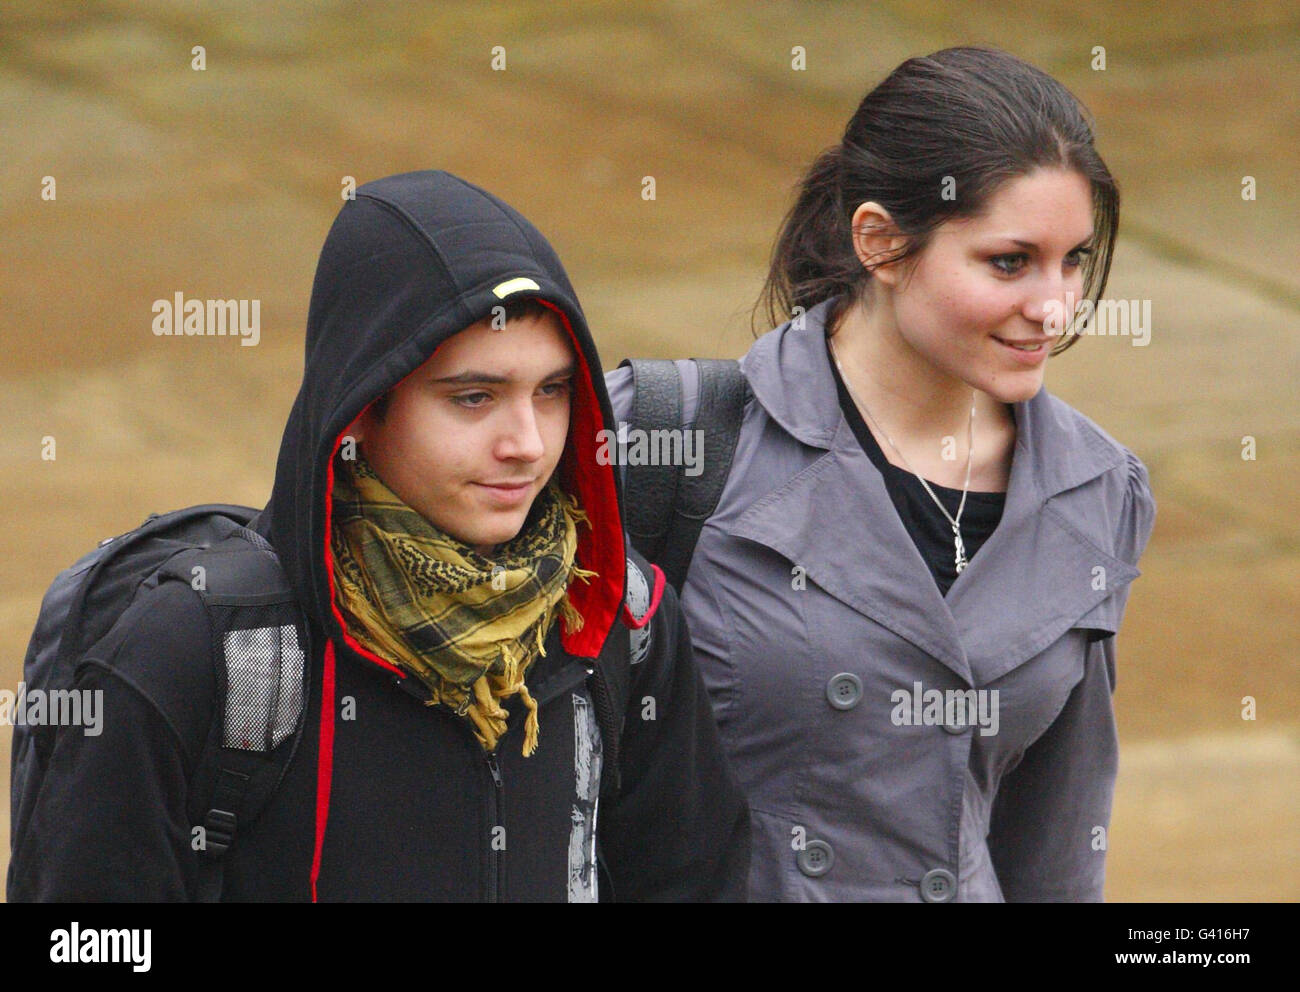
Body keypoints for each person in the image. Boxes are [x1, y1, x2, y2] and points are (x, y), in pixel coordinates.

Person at [11, 170, 749, 902]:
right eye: (473, 398)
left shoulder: (619, 620)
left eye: (553, 392)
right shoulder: (198, 653)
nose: (527, 442)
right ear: (363, 406)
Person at [607, 46, 1157, 901]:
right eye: (1009, 262)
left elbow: (1057, 842)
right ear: (881, 243)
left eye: (1074, 259)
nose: (1056, 306)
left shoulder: (1097, 492)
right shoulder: (666, 440)